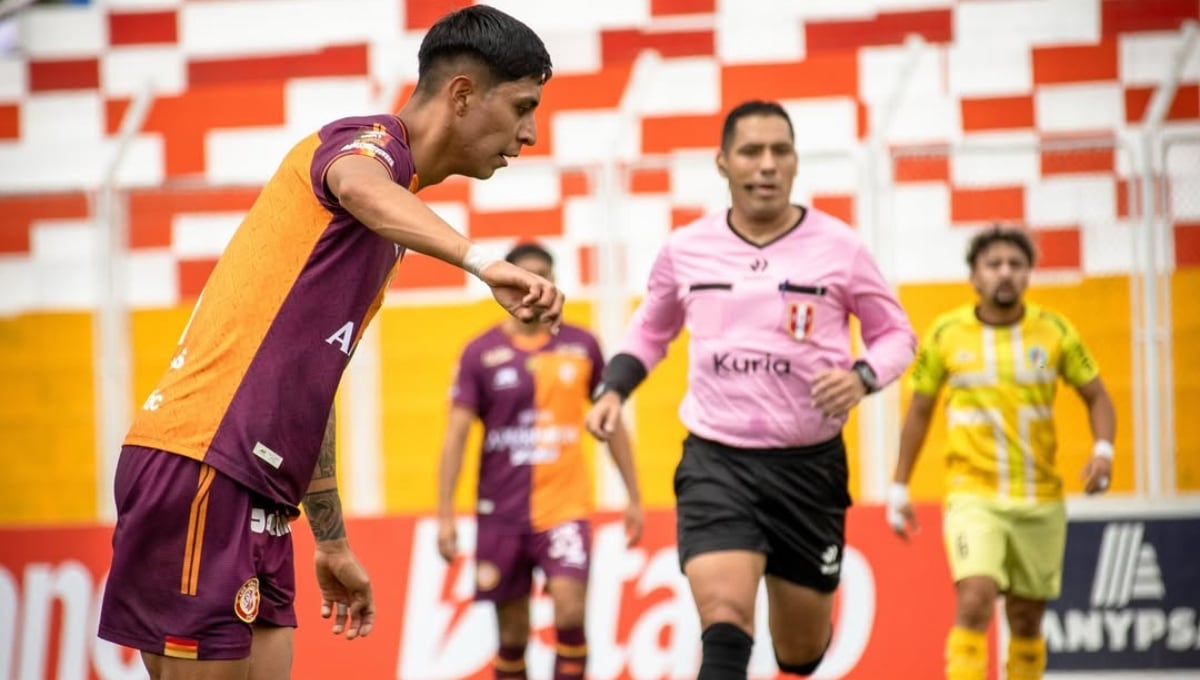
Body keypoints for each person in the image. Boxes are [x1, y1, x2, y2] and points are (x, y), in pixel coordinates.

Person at [97, 7, 561, 679]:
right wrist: (482, 262)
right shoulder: (367, 144)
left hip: (259, 493)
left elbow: (315, 380)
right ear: (462, 94)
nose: (530, 134)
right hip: (200, 461)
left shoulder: (389, 225)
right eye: (522, 106)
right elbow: (355, 182)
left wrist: (333, 539)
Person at [585, 100, 916, 679]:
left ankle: (805, 633)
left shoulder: (840, 248)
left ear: (794, 162)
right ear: (723, 162)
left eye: (779, 151)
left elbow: (897, 336)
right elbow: (650, 330)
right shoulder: (686, 249)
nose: (767, 165)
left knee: (801, 651)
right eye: (751, 151)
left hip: (808, 471)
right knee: (726, 620)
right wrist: (614, 388)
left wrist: (862, 377)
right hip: (717, 464)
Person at [886, 225, 1116, 680]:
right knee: (974, 596)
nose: (1005, 274)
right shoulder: (946, 334)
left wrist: (1104, 451)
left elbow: (1098, 397)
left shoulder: (1055, 332)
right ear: (974, 276)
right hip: (974, 496)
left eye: (1015, 264)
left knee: (1027, 618)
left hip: (1039, 500)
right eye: (993, 265)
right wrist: (898, 485)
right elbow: (919, 412)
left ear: (1029, 274)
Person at [437, 242, 644, 680]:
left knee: (570, 614)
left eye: (542, 278)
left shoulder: (582, 345)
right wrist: (445, 515)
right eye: (524, 277)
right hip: (502, 515)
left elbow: (612, 422)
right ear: (510, 282)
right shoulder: (479, 353)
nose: (533, 289)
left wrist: (633, 496)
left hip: (564, 509)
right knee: (512, 636)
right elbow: (455, 437)